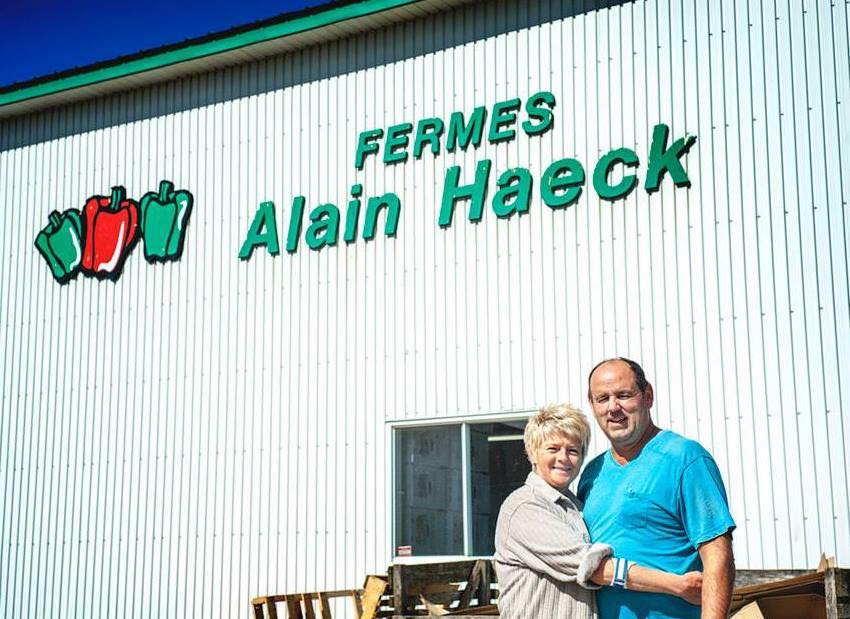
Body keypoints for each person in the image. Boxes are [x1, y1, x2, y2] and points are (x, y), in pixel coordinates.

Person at [494, 404, 703, 619]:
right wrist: (678, 584)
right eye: (553, 449)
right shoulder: (525, 507)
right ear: (532, 453)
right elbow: (592, 566)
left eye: (573, 450)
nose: (564, 458)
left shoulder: (575, 506)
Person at [578, 358, 736, 619]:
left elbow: (718, 556)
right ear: (592, 405)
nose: (613, 408)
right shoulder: (591, 474)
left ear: (647, 396)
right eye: (602, 398)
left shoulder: (685, 458)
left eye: (624, 395)